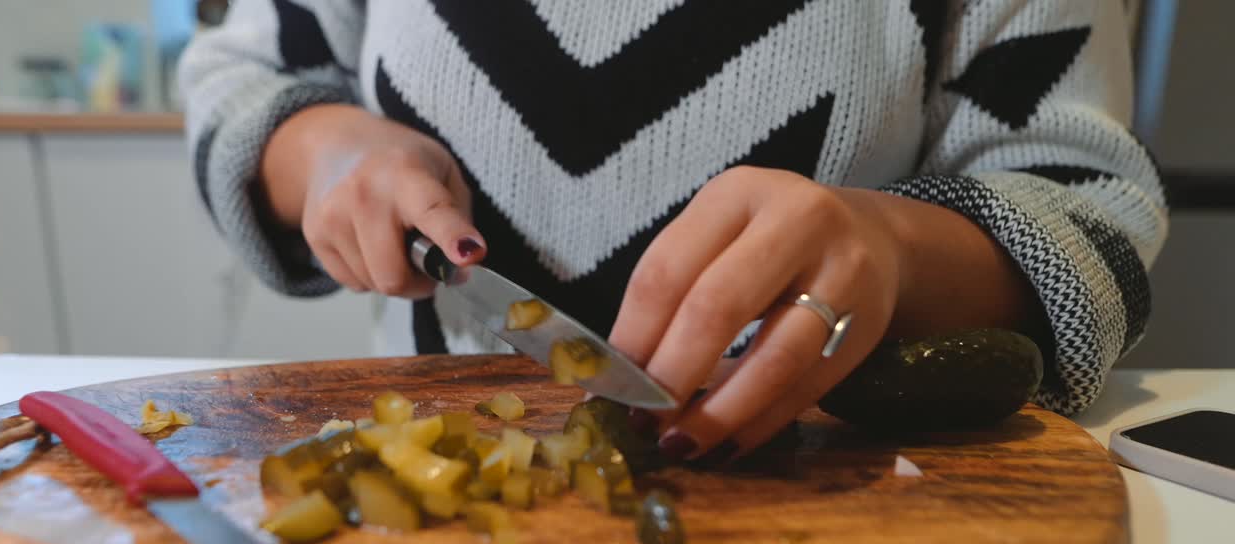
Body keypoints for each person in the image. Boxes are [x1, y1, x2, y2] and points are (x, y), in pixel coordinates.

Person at [179, 0, 1167, 463]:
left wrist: (889, 246)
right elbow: (240, 74)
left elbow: (1085, 208)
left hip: (833, 518)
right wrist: (327, 149)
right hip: (437, 529)